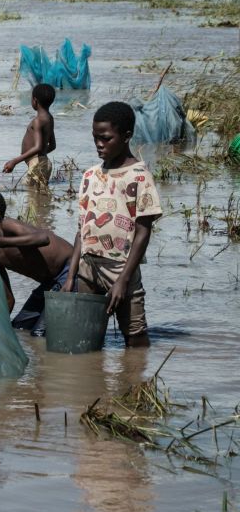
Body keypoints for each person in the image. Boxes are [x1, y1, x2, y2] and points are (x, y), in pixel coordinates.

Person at [65, 102, 162, 347]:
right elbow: (82, 228)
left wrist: (123, 280)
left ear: (126, 136)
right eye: (95, 138)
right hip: (88, 267)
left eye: (106, 138)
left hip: (121, 268)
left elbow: (143, 232)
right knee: (84, 339)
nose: (99, 144)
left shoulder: (139, 176)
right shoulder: (90, 176)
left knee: (135, 338)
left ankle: (136, 382)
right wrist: (71, 275)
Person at [0, 187, 74, 336]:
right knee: (19, 328)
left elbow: (43, 238)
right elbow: (8, 299)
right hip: (49, 283)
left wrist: (0, 241)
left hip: (70, 270)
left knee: (39, 333)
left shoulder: (7, 226)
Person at [3, 83, 56, 187]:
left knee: (32, 197)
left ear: (35, 101)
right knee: (37, 196)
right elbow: (53, 145)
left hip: (38, 164)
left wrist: (14, 161)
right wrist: (41, 156)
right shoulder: (49, 119)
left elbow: (38, 147)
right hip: (42, 163)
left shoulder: (38, 121)